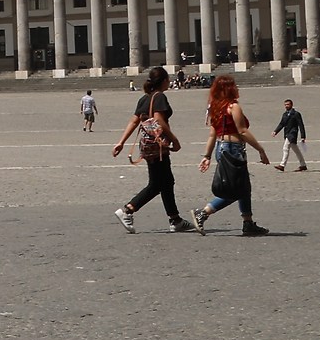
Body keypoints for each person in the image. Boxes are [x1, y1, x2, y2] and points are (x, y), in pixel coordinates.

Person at [110, 66, 191, 233]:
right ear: (163, 81)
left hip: (147, 145)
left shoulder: (144, 99)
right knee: (156, 184)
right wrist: (174, 140)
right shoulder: (159, 96)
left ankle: (175, 219)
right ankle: (128, 210)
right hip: (158, 145)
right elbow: (159, 120)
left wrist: (121, 142)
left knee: (167, 182)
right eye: (168, 79)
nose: (169, 82)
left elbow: (134, 121)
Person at [191, 75, 272, 236]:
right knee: (236, 189)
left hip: (221, 148)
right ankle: (204, 212)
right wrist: (260, 149)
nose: (237, 88)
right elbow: (242, 131)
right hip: (233, 148)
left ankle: (248, 222)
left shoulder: (215, 107)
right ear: (229, 88)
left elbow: (212, 135)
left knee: (243, 186)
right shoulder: (233, 106)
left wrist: (207, 156)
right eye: (234, 85)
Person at [273, 99, 308, 171]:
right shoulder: (285, 114)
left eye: (288, 104)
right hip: (287, 133)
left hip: (293, 133)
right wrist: (276, 131)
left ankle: (282, 165)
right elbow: (282, 124)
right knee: (296, 150)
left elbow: (301, 125)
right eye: (285, 105)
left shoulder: (296, 114)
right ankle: (303, 165)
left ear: (291, 105)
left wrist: (303, 136)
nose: (286, 106)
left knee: (285, 148)